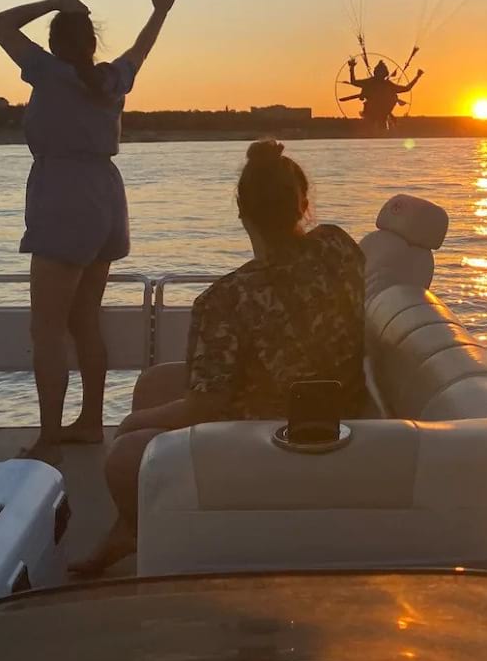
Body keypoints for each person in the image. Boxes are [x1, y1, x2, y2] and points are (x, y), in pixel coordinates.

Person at [72, 139, 365, 575]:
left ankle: (143, 525)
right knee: (153, 384)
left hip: (280, 431)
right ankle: (132, 524)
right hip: (341, 403)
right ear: (303, 204)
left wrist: (136, 423)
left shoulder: (226, 298)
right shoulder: (337, 246)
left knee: (125, 451)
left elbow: (209, 403)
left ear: (241, 211)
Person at [0, 0, 176, 461]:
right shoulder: (113, 78)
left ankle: (49, 436)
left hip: (65, 197)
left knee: (46, 327)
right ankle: (90, 422)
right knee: (83, 319)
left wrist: (53, 3)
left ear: (54, 44)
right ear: (92, 44)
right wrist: (159, 11)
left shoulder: (49, 73)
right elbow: (142, 48)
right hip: (107, 196)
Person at [346, 57, 424, 132]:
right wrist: (351, 68)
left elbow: (406, 88)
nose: (380, 75)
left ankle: (379, 130)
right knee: (371, 127)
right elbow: (354, 82)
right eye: (379, 72)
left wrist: (417, 77)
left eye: (382, 72)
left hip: (382, 113)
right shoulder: (370, 82)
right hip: (371, 112)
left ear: (385, 73)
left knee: (380, 125)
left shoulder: (387, 85)